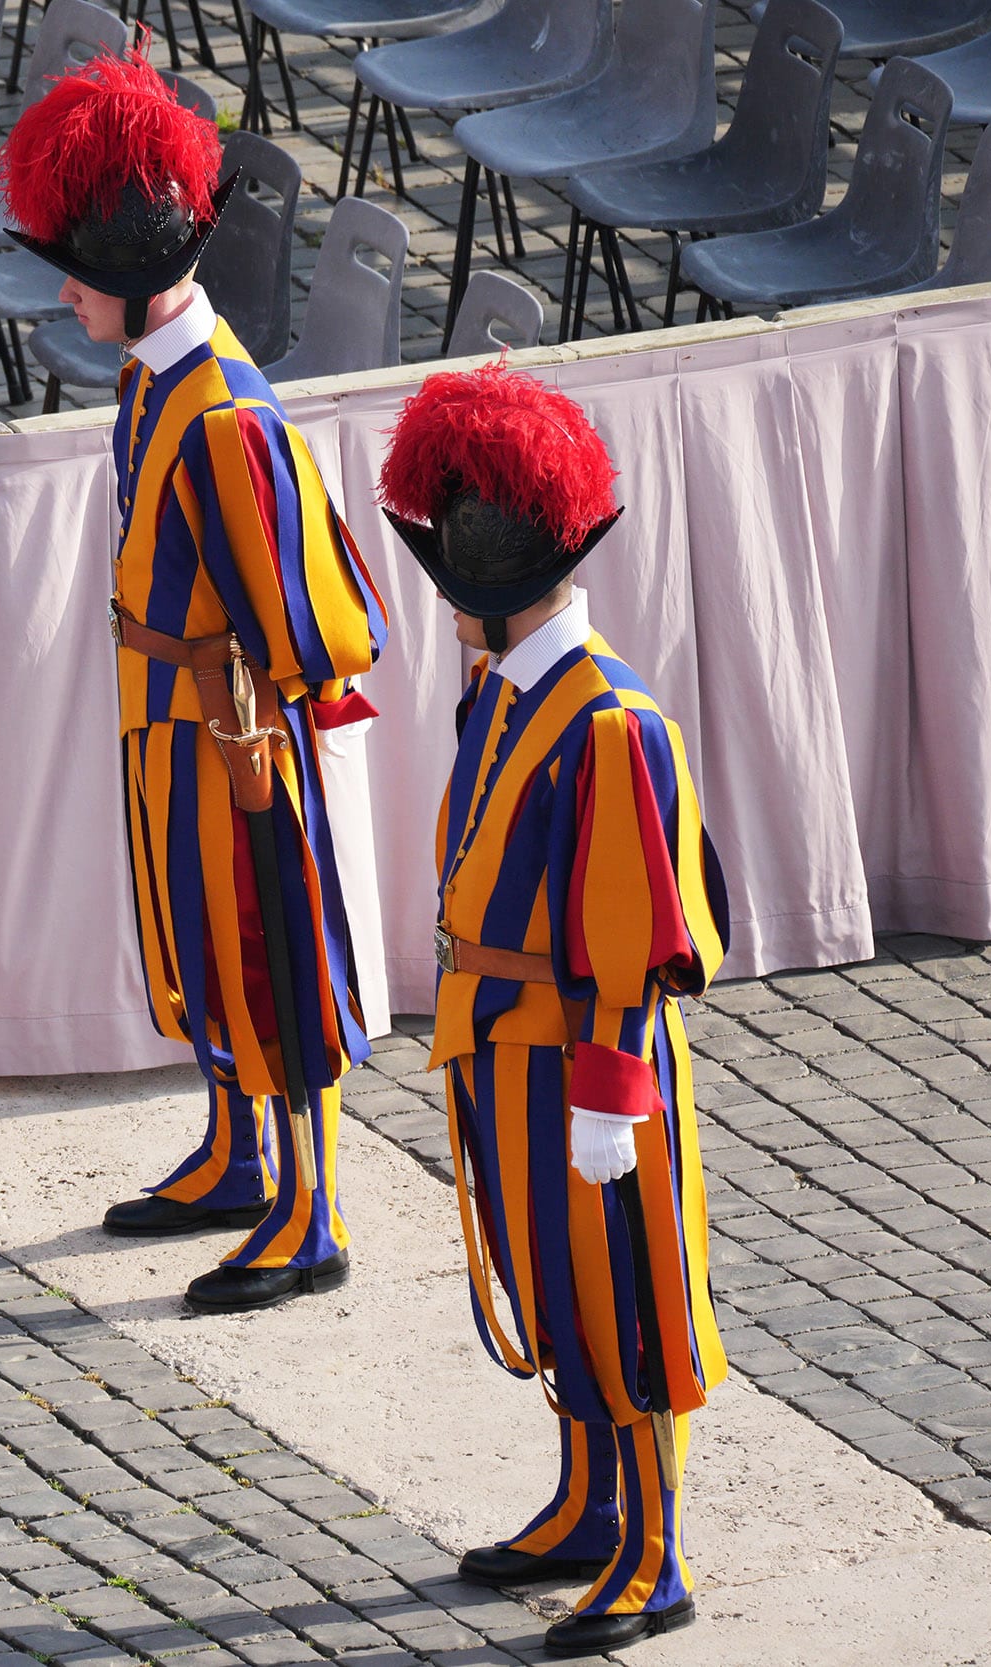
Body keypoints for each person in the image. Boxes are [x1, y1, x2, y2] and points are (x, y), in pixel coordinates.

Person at [0, 49, 389, 1312]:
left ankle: (309, 1208)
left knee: (274, 958)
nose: (64, 291)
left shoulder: (223, 413)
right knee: (200, 953)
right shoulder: (151, 381)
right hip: (167, 721)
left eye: (81, 272)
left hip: (238, 743)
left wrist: (252, 733)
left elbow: (311, 621)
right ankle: (235, 1153)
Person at [375, 364, 729, 1657]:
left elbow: (641, 945)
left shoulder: (611, 721)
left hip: (585, 1063)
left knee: (623, 1297)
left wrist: (611, 1099)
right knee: (554, 1293)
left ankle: (655, 1547)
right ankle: (588, 1503)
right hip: (503, 1046)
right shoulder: (508, 690)